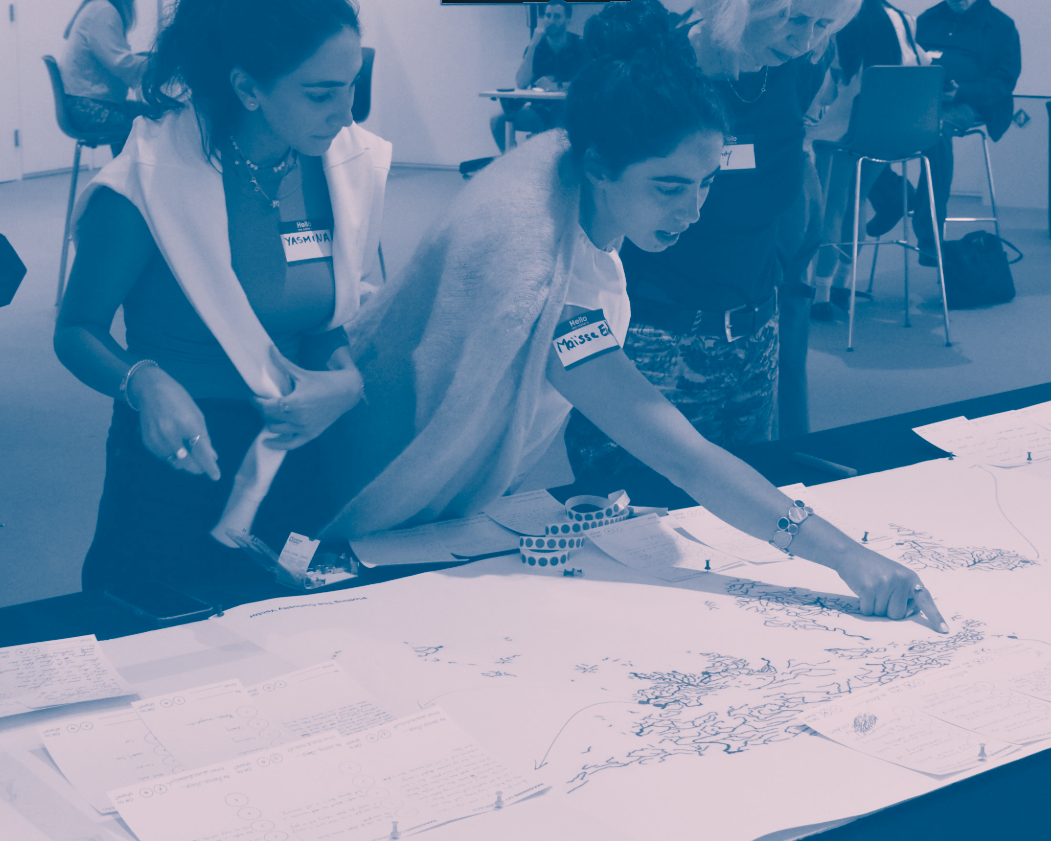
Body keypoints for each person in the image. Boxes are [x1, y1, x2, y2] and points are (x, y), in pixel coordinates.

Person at [323, 0, 947, 631]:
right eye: (669, 187)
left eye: (705, 183)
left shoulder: (567, 183)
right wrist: (847, 556)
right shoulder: (542, 276)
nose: (694, 210)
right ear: (600, 169)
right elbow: (685, 457)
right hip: (363, 504)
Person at [53, 0, 390, 592]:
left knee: (298, 644)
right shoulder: (148, 182)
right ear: (247, 88)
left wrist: (345, 382)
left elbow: (325, 316)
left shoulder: (343, 166)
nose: (345, 114)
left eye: (352, 87)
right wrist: (144, 381)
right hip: (180, 456)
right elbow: (76, 328)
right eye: (320, 94)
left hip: (299, 450)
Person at [562, 0, 861, 488]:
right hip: (657, 340)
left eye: (823, 25)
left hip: (754, 336)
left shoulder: (793, 68)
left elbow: (788, 165)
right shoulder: (655, 69)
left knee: (741, 520)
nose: (805, 40)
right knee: (639, 519)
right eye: (794, 18)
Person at [865, 0, 1021, 263]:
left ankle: (929, 236)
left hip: (971, 102)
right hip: (922, 96)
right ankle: (894, 196)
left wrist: (961, 91)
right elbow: (905, 58)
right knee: (870, 126)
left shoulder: (1001, 25)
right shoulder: (928, 18)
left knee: (935, 133)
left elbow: (1004, 80)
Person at [809, 0, 930, 321]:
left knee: (830, 208)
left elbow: (827, 95)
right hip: (895, 134)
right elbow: (920, 65)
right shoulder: (906, 19)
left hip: (846, 131)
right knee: (857, 201)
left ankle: (820, 294)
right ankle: (843, 284)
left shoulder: (837, 20)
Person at [490, 0, 586, 153]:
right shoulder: (537, 47)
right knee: (498, 121)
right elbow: (521, 83)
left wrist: (558, 86)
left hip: (569, 109)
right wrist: (533, 44)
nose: (550, 21)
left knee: (561, 127)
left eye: (556, 16)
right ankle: (513, 162)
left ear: (568, 20)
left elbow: (588, 82)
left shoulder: (580, 45)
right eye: (547, 16)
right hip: (540, 110)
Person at [59, 0, 149, 155]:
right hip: (89, 110)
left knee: (148, 112)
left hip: (80, 106)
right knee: (158, 116)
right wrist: (158, 63)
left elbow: (116, 59)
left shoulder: (95, 7)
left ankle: (124, 174)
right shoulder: (103, 10)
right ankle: (133, 175)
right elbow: (121, 63)